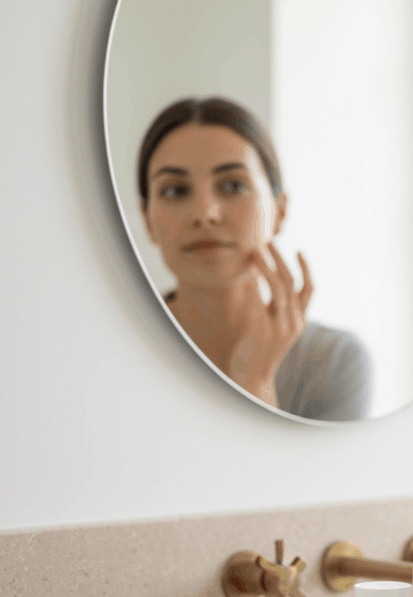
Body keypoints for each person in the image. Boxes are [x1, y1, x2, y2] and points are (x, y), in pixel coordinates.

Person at [136, 97, 371, 421]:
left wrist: (255, 382)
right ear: (146, 219)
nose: (205, 214)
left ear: (280, 211)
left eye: (233, 185)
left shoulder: (332, 363)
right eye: (175, 191)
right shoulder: (112, 347)